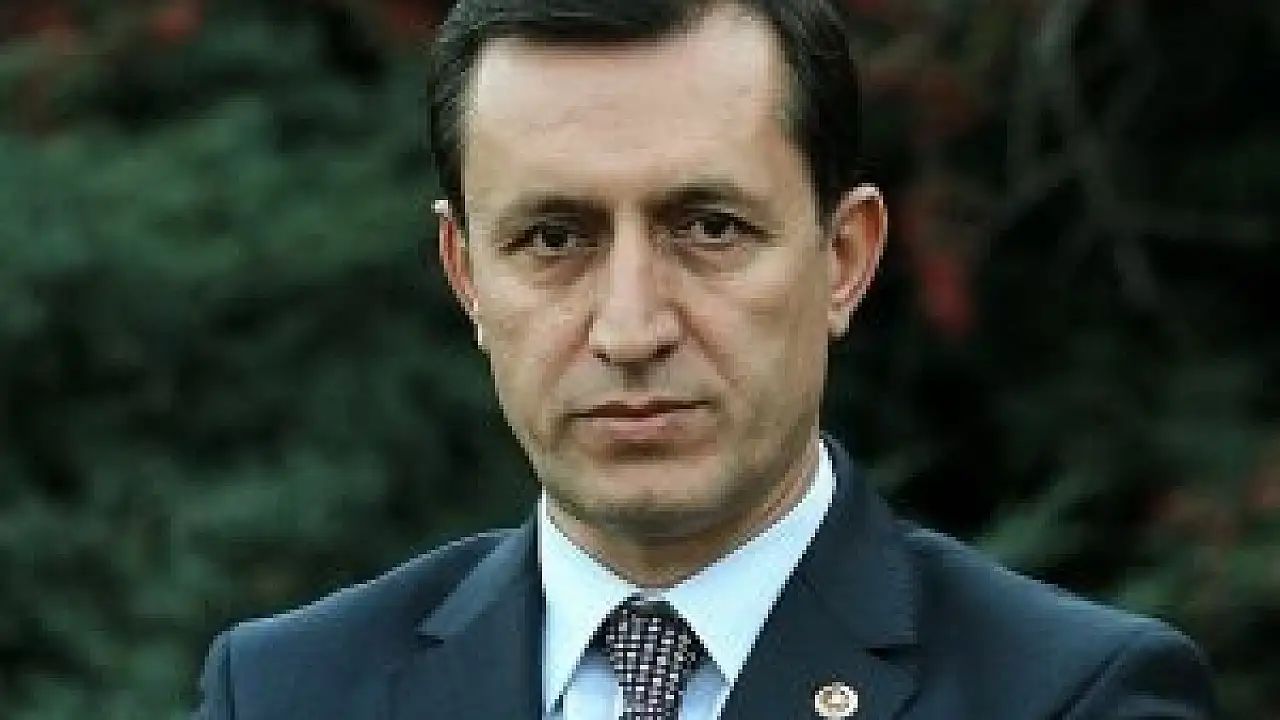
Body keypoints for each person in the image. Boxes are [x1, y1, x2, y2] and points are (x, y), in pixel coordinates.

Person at [192, 0, 1216, 718]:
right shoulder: (284, 693)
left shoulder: (1070, 698)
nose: (630, 328)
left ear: (844, 260)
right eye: (553, 238)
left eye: (709, 228)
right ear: (465, 276)